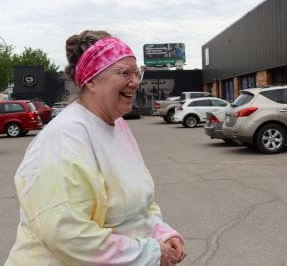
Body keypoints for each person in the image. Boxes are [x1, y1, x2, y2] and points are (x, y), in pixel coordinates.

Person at [6, 30, 186, 266]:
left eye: (137, 73)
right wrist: (151, 253)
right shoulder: (64, 138)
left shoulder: (118, 126)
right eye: (124, 72)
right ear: (91, 80)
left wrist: (162, 233)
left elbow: (140, 203)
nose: (134, 82)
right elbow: (67, 235)